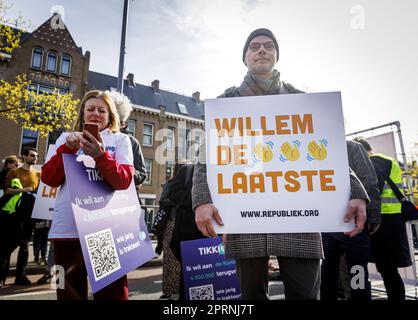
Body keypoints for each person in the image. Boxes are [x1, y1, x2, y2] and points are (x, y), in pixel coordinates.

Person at [192, 28, 369, 300]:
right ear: (245, 57)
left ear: (276, 55)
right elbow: (207, 157)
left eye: (268, 45)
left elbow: (326, 150)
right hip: (244, 215)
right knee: (250, 297)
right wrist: (202, 200)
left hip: (299, 216)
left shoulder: (302, 100)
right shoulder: (226, 103)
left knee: (306, 295)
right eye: (254, 46)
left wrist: (355, 191)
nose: (262, 50)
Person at [41, 90, 134, 300]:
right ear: (82, 113)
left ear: (111, 116)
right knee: (68, 291)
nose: (96, 114)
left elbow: (124, 180)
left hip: (105, 230)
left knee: (113, 293)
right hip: (67, 230)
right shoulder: (65, 138)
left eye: (102, 110)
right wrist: (67, 149)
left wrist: (101, 156)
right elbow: (49, 179)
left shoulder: (120, 140)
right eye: (90, 109)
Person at [320, 140, 381, 300]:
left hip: (327, 222)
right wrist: (373, 215)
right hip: (353, 223)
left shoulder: (318, 145)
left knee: (328, 270)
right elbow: (368, 180)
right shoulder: (352, 146)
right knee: (357, 269)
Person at [354, 137, 412, 301]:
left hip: (382, 220)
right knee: (387, 267)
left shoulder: (373, 162)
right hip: (392, 218)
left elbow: (372, 190)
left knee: (386, 267)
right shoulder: (388, 160)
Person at [0, 147, 40, 286]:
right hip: (13, 216)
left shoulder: (37, 174)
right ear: (24, 156)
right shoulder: (14, 172)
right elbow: (7, 190)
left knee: (24, 247)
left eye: (36, 156)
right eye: (32, 155)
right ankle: (1, 278)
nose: (35, 158)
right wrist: (23, 190)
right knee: (7, 246)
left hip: (28, 217)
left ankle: (20, 277)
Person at [153, 163, 187, 300]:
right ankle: (177, 290)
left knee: (169, 259)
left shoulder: (169, 185)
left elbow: (163, 202)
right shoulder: (185, 186)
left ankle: (169, 290)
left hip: (169, 224)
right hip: (177, 223)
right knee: (178, 259)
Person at [106, 90, 147, 187]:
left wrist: (127, 171)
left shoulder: (132, 142)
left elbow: (142, 174)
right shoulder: (96, 137)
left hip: (123, 196)